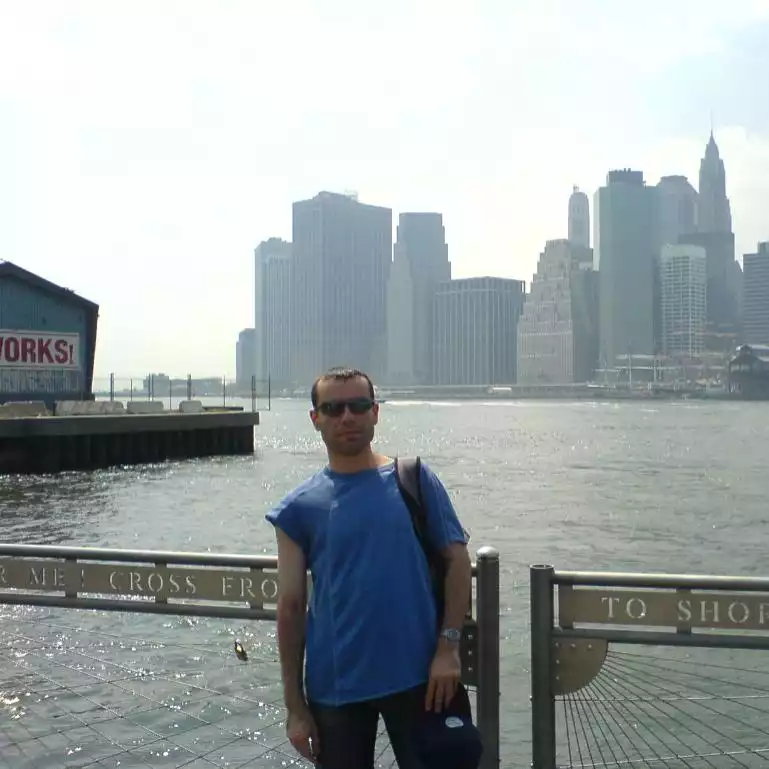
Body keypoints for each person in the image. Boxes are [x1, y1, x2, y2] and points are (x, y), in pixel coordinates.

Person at [265, 367, 479, 769]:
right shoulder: (296, 509)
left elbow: (457, 561)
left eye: (359, 406)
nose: (347, 417)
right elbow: (290, 607)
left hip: (423, 678)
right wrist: (294, 705)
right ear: (315, 418)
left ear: (375, 412)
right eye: (333, 408)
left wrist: (448, 648)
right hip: (335, 690)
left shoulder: (414, 479)